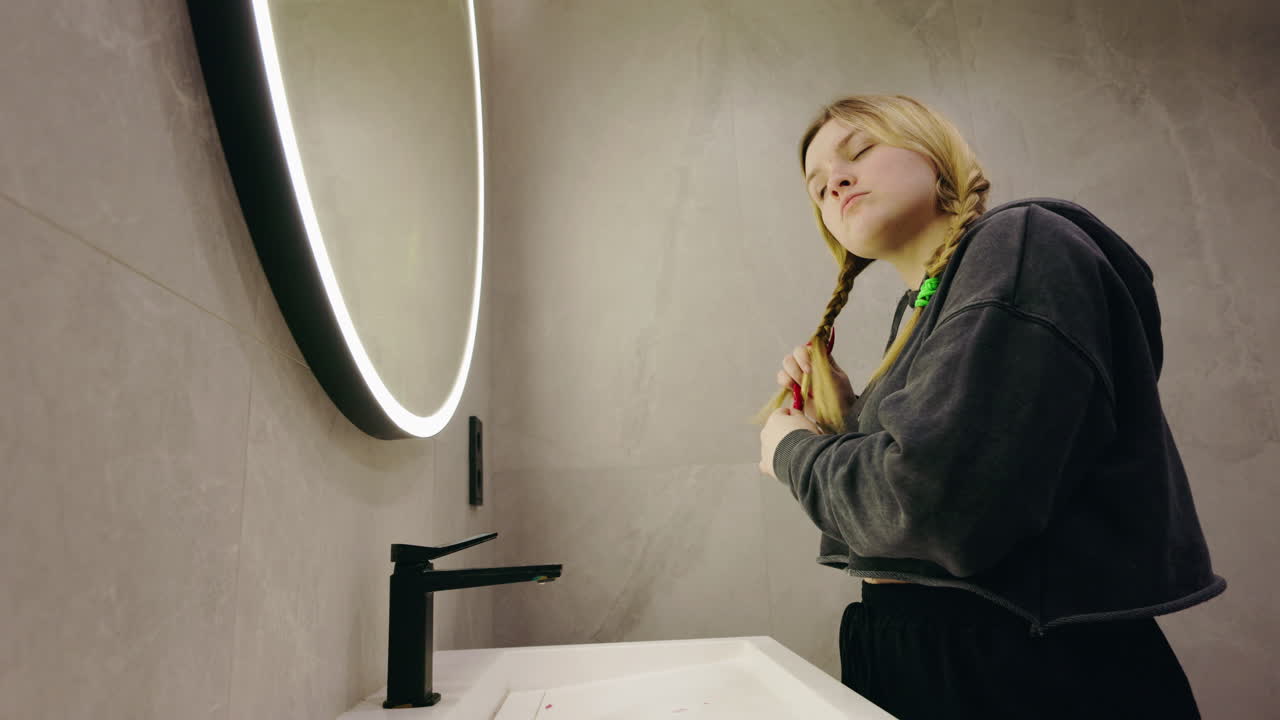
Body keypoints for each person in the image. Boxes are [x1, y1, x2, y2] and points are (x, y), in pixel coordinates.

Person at [753, 95, 1226, 719]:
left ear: (936, 155)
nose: (835, 181)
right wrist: (845, 419)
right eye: (816, 188)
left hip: (1020, 673)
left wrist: (792, 449)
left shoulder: (1019, 243)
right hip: (926, 653)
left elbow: (928, 507)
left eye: (860, 151)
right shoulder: (924, 306)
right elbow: (911, 502)